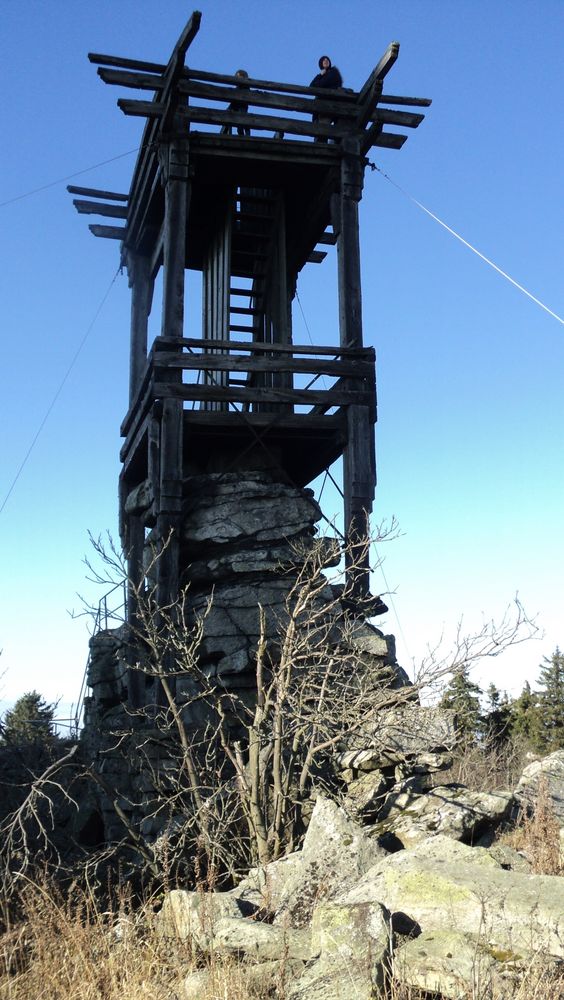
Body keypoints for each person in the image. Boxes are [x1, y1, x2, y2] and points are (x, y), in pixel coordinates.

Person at [309, 56, 343, 141]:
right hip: (322, 106)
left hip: (329, 105)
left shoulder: (333, 72)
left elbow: (323, 83)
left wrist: (320, 81)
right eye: (323, 60)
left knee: (324, 128)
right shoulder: (322, 75)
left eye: (327, 60)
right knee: (320, 128)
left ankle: (322, 144)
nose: (326, 61)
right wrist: (320, 75)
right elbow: (312, 87)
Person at [222, 68, 251, 136]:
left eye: (238, 77)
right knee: (231, 115)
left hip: (241, 109)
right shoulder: (238, 89)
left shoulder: (245, 88)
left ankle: (244, 135)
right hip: (236, 108)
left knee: (242, 123)